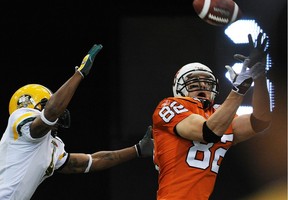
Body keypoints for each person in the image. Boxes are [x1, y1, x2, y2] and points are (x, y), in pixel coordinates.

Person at [0, 44, 153, 200]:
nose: (59, 109)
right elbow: (51, 113)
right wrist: (79, 74)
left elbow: (91, 162)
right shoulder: (20, 119)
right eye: (48, 103)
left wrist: (137, 150)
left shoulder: (52, 146)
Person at [152, 32, 272, 200]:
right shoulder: (169, 105)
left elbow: (261, 121)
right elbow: (207, 132)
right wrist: (239, 90)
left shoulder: (220, 113)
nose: (202, 85)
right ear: (179, 88)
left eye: (207, 83)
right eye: (193, 83)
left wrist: (259, 79)